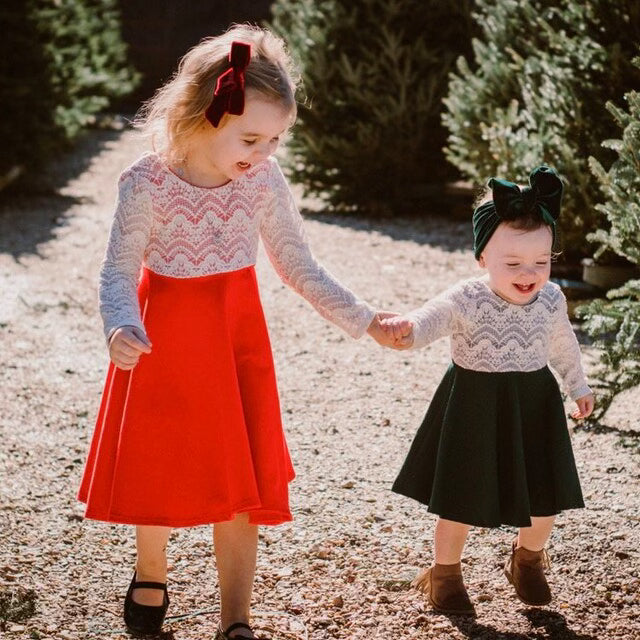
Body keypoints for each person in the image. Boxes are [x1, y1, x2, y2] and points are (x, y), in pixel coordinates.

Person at [77, 24, 393, 640]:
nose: (264, 153)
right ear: (201, 115)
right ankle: (150, 570)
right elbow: (116, 270)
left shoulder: (262, 183)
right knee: (159, 458)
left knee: (242, 477)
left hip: (235, 337)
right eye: (252, 137)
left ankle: (236, 617)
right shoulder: (146, 181)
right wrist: (119, 324)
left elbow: (299, 267)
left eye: (276, 139)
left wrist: (364, 319)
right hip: (163, 339)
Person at [380, 166, 594, 616]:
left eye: (541, 261)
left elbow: (562, 344)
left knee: (545, 493)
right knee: (460, 497)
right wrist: (407, 329)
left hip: (533, 402)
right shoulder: (467, 298)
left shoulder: (552, 299)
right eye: (512, 263)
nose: (529, 273)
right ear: (482, 258)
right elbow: (430, 318)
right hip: (473, 404)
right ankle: (445, 575)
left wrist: (578, 385)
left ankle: (528, 559)